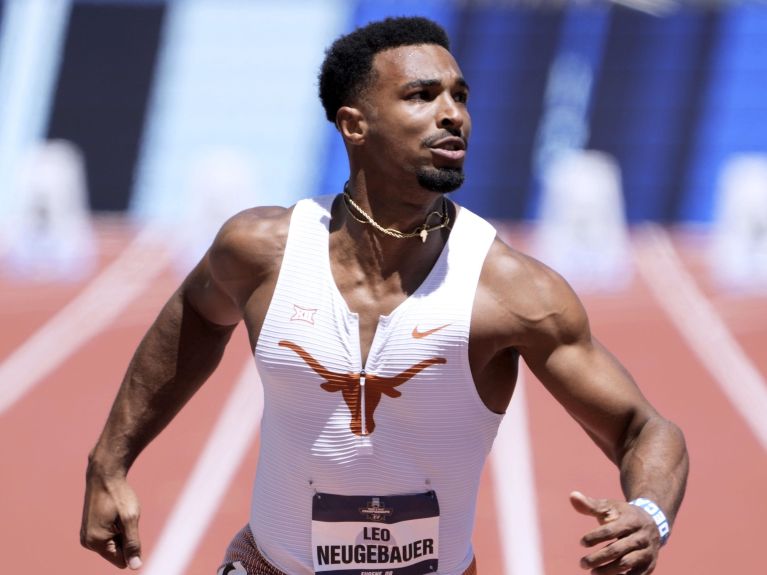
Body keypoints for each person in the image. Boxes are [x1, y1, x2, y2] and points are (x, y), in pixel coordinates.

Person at [80, 16, 688, 575]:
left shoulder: (510, 290)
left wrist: (650, 516)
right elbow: (194, 320)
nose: (454, 114)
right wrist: (109, 460)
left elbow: (645, 429)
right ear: (354, 124)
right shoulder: (260, 251)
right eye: (422, 96)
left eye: (460, 95)